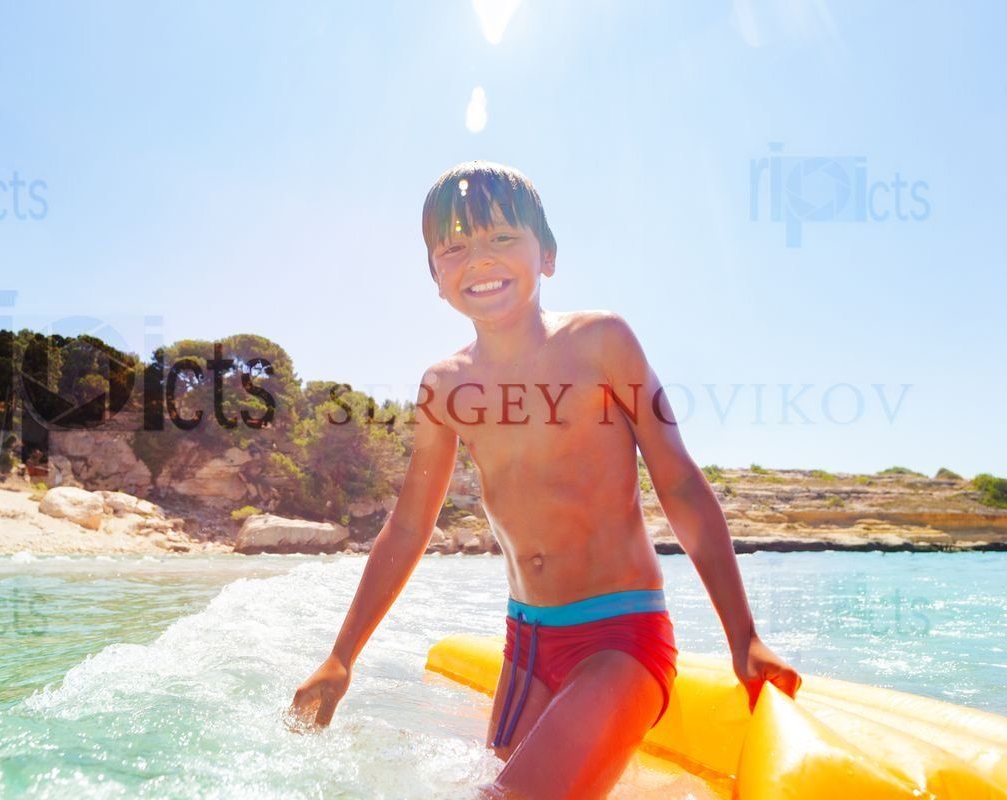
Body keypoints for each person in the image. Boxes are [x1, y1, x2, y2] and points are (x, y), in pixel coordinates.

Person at [289, 161, 801, 799]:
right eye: (455, 247)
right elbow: (410, 525)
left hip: (622, 637)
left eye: (502, 238)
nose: (479, 260)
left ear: (548, 254)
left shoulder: (601, 343)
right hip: (525, 647)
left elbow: (680, 483)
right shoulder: (443, 388)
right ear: (435, 276)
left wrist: (743, 637)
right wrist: (342, 657)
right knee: (494, 787)